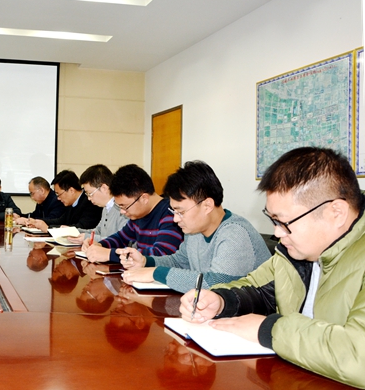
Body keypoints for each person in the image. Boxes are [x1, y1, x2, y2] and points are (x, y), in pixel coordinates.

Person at [179, 147, 365, 388]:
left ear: (336, 213)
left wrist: (269, 329)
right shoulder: (293, 253)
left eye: (284, 222)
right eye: (273, 220)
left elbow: (358, 356)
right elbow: (257, 288)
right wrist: (221, 300)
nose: (277, 233)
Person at [120, 161, 271, 293]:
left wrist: (155, 273)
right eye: (174, 212)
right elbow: (179, 262)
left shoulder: (235, 233)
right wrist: (146, 262)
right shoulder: (195, 232)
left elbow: (215, 283)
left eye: (181, 212)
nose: (175, 219)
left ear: (207, 206)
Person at [82, 164, 183, 263]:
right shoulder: (139, 215)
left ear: (144, 198)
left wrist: (110, 254)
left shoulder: (171, 214)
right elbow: (121, 238)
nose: (122, 211)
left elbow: (161, 254)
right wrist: (100, 245)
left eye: (124, 206)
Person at [68, 164, 129, 244]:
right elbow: (98, 231)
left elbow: (122, 241)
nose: (89, 198)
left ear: (104, 188)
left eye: (90, 193)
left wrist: (87, 237)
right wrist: (73, 231)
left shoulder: (122, 209)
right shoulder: (106, 208)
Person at [28, 170, 102, 232]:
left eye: (59, 194)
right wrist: (37, 222)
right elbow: (60, 221)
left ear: (71, 190)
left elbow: (81, 227)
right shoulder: (71, 203)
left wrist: (49, 228)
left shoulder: (90, 202)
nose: (58, 198)